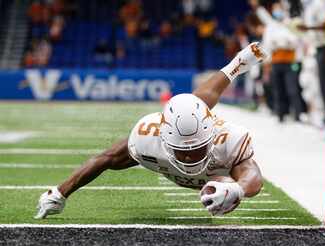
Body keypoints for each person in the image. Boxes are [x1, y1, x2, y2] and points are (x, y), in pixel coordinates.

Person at [35, 42, 267, 219]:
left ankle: (237, 64)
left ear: (211, 137)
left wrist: (237, 189)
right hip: (186, 127)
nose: (188, 157)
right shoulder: (148, 137)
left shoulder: (227, 139)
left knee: (196, 102)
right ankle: (236, 64)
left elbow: (253, 176)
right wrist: (59, 192)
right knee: (193, 102)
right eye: (182, 151)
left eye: (197, 149)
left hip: (208, 141)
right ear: (164, 139)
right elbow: (105, 158)